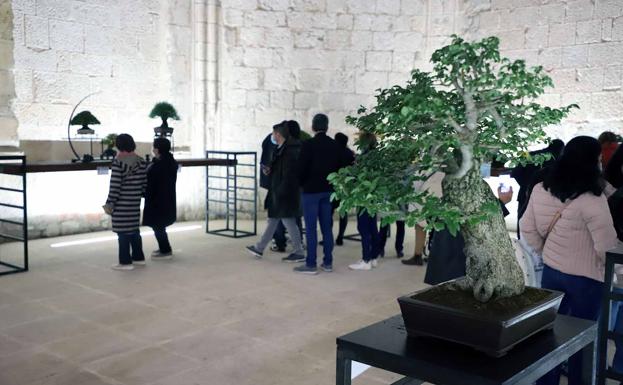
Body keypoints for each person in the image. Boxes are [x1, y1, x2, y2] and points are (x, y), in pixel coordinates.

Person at [520, 136, 618, 385]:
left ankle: (547, 380)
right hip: (588, 280)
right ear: (592, 161)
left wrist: (547, 252)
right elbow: (606, 247)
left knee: (550, 333)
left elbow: (526, 227)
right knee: (584, 336)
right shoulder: (593, 200)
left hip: (552, 272)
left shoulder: (542, 188)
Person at [423, 185, 513, 284]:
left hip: (442, 262)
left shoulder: (448, 195)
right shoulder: (473, 194)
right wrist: (501, 202)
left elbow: (430, 218)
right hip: (459, 265)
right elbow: (482, 220)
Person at [246, 121, 305, 262]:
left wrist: (279, 192)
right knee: (274, 221)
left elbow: (288, 174)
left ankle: (298, 252)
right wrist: (270, 170)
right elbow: (281, 170)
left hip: (283, 193)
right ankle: (259, 248)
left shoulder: (290, 150)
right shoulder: (284, 148)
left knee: (288, 222)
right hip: (280, 192)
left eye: (273, 133)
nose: (272, 135)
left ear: (278, 134)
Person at [294, 113, 341, 274]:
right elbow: (339, 168)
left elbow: (300, 168)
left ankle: (311, 264)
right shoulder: (334, 145)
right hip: (328, 190)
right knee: (327, 228)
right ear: (327, 127)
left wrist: (301, 184)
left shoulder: (308, 144)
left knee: (311, 228)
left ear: (313, 127)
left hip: (311, 191)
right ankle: (328, 263)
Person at [103, 134, 148, 271]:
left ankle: (125, 262)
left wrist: (110, 202)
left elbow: (115, 185)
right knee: (134, 231)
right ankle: (139, 258)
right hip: (134, 202)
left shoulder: (118, 162)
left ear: (119, 145)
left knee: (122, 233)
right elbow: (145, 185)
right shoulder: (141, 162)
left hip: (121, 204)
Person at [511, 139, 564, 234]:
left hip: (525, 194)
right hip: (547, 198)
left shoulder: (530, 155)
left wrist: (525, 185)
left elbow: (515, 173)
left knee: (522, 220)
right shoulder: (559, 161)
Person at [349, 132, 382, 271]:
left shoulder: (362, 159)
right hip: (374, 197)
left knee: (363, 228)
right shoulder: (378, 158)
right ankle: (373, 257)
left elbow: (357, 178)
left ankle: (366, 259)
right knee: (373, 227)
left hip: (363, 197)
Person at [143, 137, 178, 260]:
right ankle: (164, 248)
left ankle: (165, 249)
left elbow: (152, 181)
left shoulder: (160, 165)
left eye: (154, 147)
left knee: (158, 225)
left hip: (158, 200)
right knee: (159, 226)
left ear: (157, 149)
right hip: (165, 198)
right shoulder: (169, 161)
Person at [333, 132, 355, 245]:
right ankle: (340, 236)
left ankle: (328, 236)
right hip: (346, 187)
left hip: (333, 186)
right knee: (343, 213)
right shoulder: (349, 153)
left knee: (329, 212)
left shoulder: (332, 152)